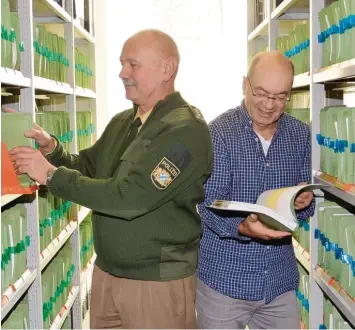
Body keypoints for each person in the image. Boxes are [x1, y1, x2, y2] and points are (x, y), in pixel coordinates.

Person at [10, 29, 213, 329]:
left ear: (167, 69)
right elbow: (88, 167)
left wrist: (51, 175)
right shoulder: (124, 121)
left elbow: (131, 197)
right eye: (121, 63)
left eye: (133, 64)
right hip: (107, 275)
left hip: (155, 285)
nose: (122, 72)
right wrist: (52, 151)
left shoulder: (185, 131)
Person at [196, 51, 314, 329]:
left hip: (278, 281)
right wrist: (243, 227)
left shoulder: (300, 135)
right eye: (261, 93)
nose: (269, 105)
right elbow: (208, 204)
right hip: (223, 281)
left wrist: (303, 201)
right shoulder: (219, 132)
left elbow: (305, 204)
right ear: (245, 85)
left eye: (280, 96)